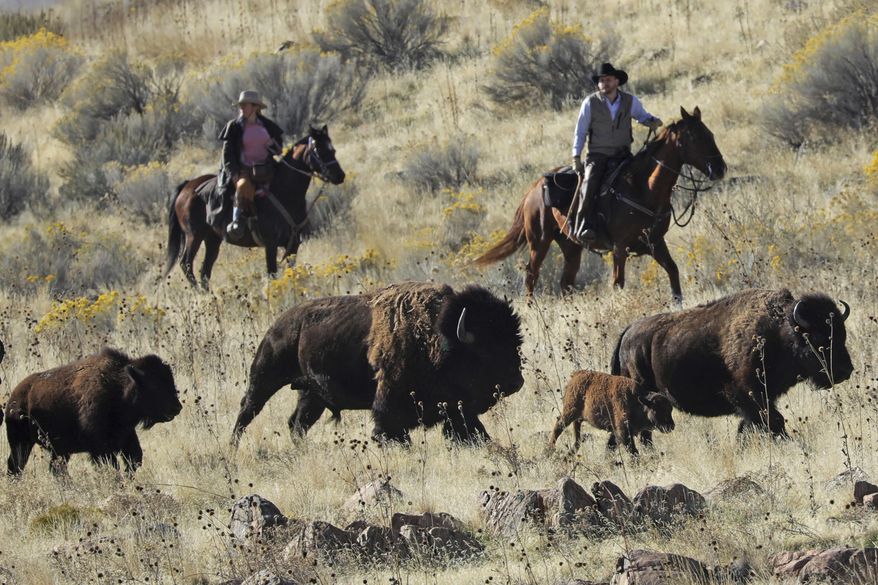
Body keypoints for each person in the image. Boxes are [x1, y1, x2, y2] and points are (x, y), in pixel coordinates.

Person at [569, 63, 663, 242]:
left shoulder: (630, 101)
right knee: (589, 185)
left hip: (623, 155)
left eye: (608, 80)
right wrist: (576, 156)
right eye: (601, 81)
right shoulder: (590, 103)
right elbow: (580, 131)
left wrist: (652, 121)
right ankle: (584, 225)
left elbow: (642, 116)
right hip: (598, 156)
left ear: (617, 81)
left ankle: (647, 219)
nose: (604, 83)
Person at [218, 90, 284, 240]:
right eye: (240, 106)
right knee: (242, 186)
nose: (241, 108)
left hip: (267, 169)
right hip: (244, 170)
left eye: (244, 105)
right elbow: (227, 155)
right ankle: (236, 221)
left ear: (254, 107)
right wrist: (234, 174)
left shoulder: (267, 126)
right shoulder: (234, 127)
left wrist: (272, 145)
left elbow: (278, 149)